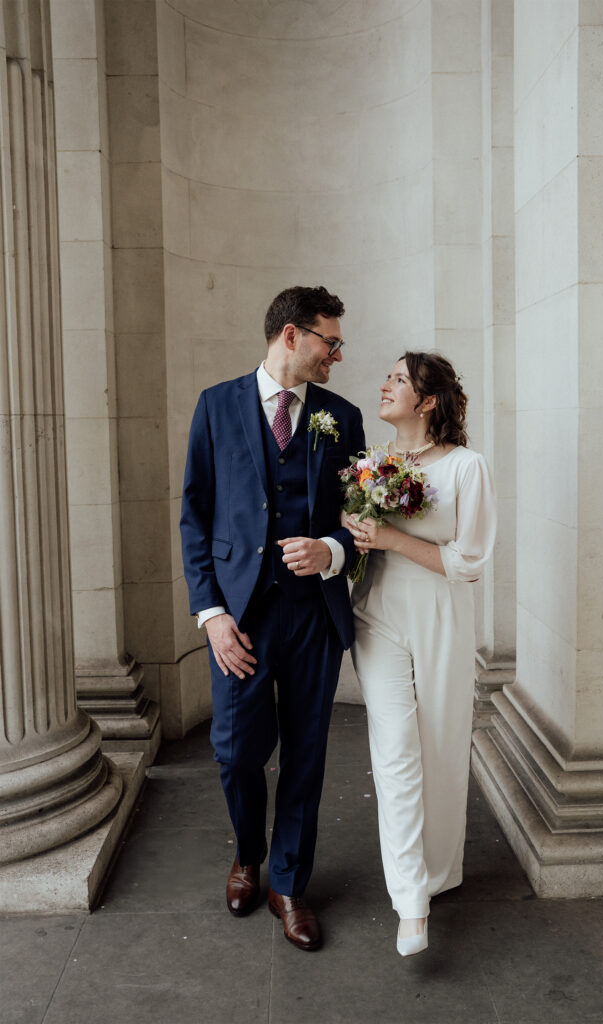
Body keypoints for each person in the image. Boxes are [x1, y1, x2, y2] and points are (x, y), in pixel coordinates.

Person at [180, 286, 365, 952]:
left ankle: (288, 884)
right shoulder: (216, 405)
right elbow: (195, 516)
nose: (336, 356)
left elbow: (360, 520)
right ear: (291, 335)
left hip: (313, 615)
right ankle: (247, 855)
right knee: (236, 754)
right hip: (242, 617)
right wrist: (212, 615)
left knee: (306, 754)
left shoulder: (341, 417)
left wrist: (330, 551)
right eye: (329, 342)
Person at [343, 352, 496, 956]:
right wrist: (353, 531)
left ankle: (437, 873)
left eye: (399, 379)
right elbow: (357, 537)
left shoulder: (466, 467)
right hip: (376, 616)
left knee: (440, 745)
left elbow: (470, 562)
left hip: (440, 618)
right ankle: (410, 900)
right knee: (396, 751)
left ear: (428, 401)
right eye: (389, 377)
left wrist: (390, 537)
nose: (385, 385)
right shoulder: (370, 464)